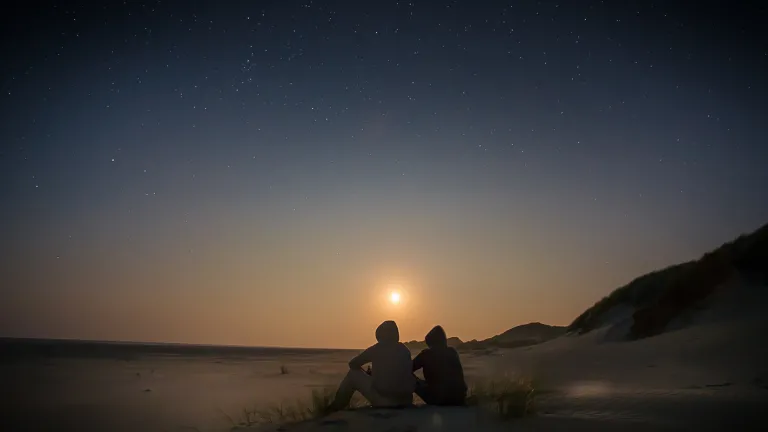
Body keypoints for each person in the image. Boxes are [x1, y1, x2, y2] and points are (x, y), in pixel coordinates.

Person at [328, 321, 415, 411]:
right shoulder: (405, 350)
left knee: (353, 374)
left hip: (385, 402)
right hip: (406, 401)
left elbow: (353, 364)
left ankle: (337, 406)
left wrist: (366, 372)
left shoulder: (377, 348)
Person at [412, 325, 467, 406]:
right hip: (458, 398)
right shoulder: (452, 352)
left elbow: (408, 368)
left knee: (410, 377)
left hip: (438, 399)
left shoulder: (426, 354)